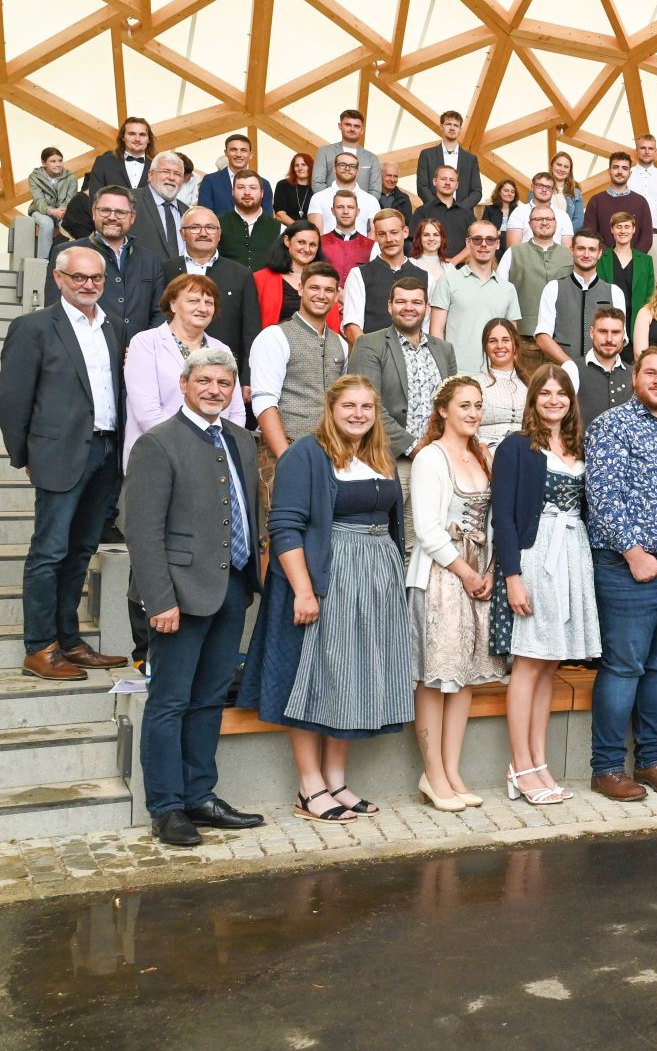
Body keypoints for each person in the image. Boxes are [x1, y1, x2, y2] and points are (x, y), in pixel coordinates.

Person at [240, 375, 411, 823]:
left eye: (366, 407)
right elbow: (285, 526)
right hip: (326, 576)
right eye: (349, 406)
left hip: (374, 577)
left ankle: (336, 780)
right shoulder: (306, 454)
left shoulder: (379, 455)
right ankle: (309, 786)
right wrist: (303, 590)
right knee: (314, 678)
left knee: (349, 677)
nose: (358, 414)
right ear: (330, 409)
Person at [120, 347, 262, 846]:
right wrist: (159, 600)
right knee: (170, 702)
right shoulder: (158, 443)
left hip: (231, 589)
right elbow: (141, 530)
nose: (214, 390)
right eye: (204, 381)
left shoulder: (240, 439)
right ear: (184, 384)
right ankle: (166, 807)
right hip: (178, 596)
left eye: (223, 383)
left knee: (208, 700)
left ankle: (200, 795)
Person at [0, 245, 130, 680]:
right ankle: (40, 647)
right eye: (79, 277)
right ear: (58, 279)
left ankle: (69, 641)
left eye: (96, 278)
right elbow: (12, 398)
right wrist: (26, 456)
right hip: (59, 454)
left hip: (106, 452)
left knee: (80, 552)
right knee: (49, 552)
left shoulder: (112, 326)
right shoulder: (34, 327)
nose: (89, 285)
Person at [585, 346, 657, 802]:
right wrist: (634, 553)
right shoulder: (612, 425)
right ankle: (608, 768)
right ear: (635, 378)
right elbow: (603, 496)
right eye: (650, 373)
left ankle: (652, 761)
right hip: (628, 567)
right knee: (624, 667)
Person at [491, 367, 598, 806]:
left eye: (561, 393)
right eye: (546, 393)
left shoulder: (579, 446)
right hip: (536, 558)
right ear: (533, 399)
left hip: (573, 555)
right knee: (530, 662)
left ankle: (539, 760)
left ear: (571, 400)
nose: (554, 400)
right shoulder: (516, 447)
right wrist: (513, 577)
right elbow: (503, 516)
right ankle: (520, 764)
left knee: (551, 664)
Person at [406, 376, 499, 812]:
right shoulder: (430, 457)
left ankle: (452, 769)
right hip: (442, 576)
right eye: (464, 405)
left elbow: (492, 522)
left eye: (478, 405)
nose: (473, 413)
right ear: (443, 410)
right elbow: (426, 529)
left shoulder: (482, 455)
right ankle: (432, 773)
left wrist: (489, 570)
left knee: (464, 678)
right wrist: (465, 572)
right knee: (435, 677)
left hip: (477, 574)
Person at [343, 277, 455, 513]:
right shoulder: (369, 344)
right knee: (395, 528)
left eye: (416, 302)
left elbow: (453, 405)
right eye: (401, 301)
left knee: (430, 528)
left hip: (439, 459)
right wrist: (414, 448)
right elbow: (366, 407)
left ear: (427, 307)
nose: (409, 308)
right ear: (389, 306)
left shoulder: (444, 349)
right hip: (392, 459)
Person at [248, 262, 349, 518]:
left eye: (329, 290)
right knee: (283, 529)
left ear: (336, 296)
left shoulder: (341, 343)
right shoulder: (274, 337)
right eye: (314, 288)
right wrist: (287, 458)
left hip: (329, 454)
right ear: (301, 289)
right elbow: (264, 403)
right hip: (283, 449)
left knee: (325, 529)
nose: (321, 295)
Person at [123, 275, 247, 466]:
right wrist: (196, 446)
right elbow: (147, 413)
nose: (203, 308)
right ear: (173, 304)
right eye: (194, 301)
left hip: (215, 459)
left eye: (209, 302)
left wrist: (218, 447)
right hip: (159, 457)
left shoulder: (222, 349)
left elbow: (236, 412)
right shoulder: (145, 343)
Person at [57, 183, 167, 340]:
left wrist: (143, 345)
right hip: (87, 350)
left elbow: (160, 311)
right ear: (93, 213)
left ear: (132, 217)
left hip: (139, 351)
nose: (112, 217)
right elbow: (56, 312)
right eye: (105, 210)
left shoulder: (151, 260)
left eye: (120, 212)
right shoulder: (66, 253)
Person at [163, 207, 260, 384]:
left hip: (223, 372)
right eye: (195, 227)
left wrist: (247, 379)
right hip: (170, 368)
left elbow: (251, 331)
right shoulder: (164, 270)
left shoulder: (241, 274)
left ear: (219, 234)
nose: (203, 233)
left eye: (210, 227)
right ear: (182, 233)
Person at [429, 219, 521, 374]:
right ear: (468, 243)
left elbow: (511, 338)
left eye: (490, 240)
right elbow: (436, 332)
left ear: (497, 244)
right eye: (477, 239)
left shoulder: (508, 289)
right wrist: (444, 369)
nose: (484, 244)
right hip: (457, 373)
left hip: (496, 374)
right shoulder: (447, 281)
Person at [533, 229, 628, 370]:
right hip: (560, 372)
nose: (586, 254)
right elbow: (542, 336)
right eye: (581, 249)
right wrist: (570, 365)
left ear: (599, 253)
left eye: (592, 250)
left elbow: (620, 339)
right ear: (572, 250)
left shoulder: (615, 292)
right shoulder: (553, 288)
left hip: (600, 372)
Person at [504, 204, 573, 373]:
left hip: (562, 342)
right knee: (527, 388)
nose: (544, 222)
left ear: (555, 223)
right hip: (525, 341)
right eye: (538, 219)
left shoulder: (570, 255)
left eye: (549, 219)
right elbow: (500, 294)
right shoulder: (513, 253)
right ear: (529, 224)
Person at [342, 208, 427, 342]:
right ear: (375, 236)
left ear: (405, 232)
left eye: (394, 232)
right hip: (372, 352)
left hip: (414, 353)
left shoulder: (425, 277)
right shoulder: (358, 275)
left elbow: (427, 327)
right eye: (382, 234)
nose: (389, 239)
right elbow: (352, 325)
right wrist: (371, 352)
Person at [565, 306, 633, 424]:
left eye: (615, 332)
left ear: (623, 335)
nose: (609, 339)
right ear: (592, 332)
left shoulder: (634, 374)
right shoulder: (571, 369)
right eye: (603, 331)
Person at [581, 151, 654, 253]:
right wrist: (610, 257)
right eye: (616, 167)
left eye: (625, 168)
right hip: (603, 260)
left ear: (630, 173)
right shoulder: (595, 201)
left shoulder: (641, 202)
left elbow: (647, 238)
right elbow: (590, 235)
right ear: (609, 171)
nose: (620, 172)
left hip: (635, 260)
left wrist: (632, 258)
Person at [477, 319, 529, 448]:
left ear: (515, 345)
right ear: (485, 347)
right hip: (485, 452)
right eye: (492, 341)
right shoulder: (476, 384)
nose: (500, 346)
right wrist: (483, 451)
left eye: (506, 340)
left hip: (524, 452)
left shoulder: (528, 385)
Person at [415, 110, 482, 208]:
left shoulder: (471, 159)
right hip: (433, 212)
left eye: (456, 125)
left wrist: (459, 209)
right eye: (448, 124)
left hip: (462, 213)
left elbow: (477, 191)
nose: (452, 128)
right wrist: (438, 207)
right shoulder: (427, 155)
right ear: (441, 126)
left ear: (460, 129)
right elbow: (422, 187)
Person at [219, 170, 284, 270]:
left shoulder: (280, 228)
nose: (247, 192)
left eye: (253, 188)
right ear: (233, 192)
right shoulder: (217, 224)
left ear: (262, 193)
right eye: (241, 187)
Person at [414, 164, 478, 263]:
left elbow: (475, 243)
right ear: (434, 181)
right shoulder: (422, 212)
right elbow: (414, 243)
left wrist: (453, 262)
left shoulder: (468, 214)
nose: (447, 183)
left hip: (461, 268)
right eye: (443, 179)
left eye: (452, 180)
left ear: (457, 185)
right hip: (429, 266)